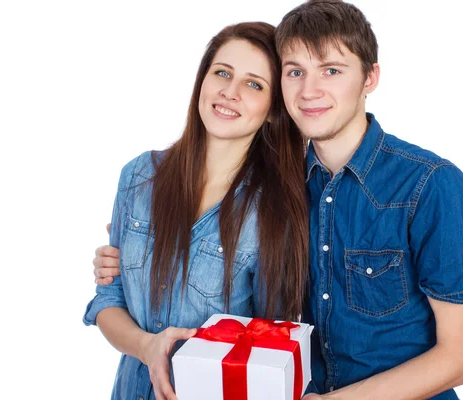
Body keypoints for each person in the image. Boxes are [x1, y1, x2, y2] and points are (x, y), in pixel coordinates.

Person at [94, 1, 463, 398]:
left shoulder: (430, 185)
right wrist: (128, 256)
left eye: (331, 70)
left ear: (370, 77)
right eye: (295, 72)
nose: (309, 90)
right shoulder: (284, 191)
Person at [83, 22, 309, 400]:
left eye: (254, 84)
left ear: (273, 110)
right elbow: (108, 301)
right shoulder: (139, 176)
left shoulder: (274, 212)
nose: (230, 92)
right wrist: (147, 347)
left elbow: (272, 349)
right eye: (222, 73)